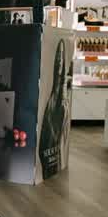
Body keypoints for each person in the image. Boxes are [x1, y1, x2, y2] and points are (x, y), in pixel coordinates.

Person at [39, 40, 69, 180]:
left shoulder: (62, 97)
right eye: (58, 57)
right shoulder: (50, 98)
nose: (60, 61)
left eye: (61, 57)